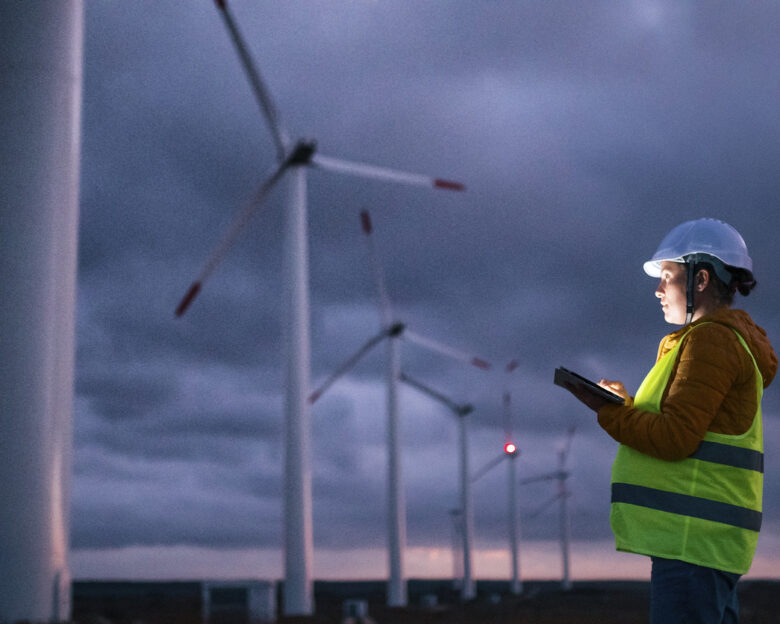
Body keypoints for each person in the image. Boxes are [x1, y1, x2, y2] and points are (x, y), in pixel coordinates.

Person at [562, 218, 777, 624]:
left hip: (693, 544)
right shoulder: (719, 340)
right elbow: (684, 423)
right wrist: (626, 403)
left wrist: (608, 410)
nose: (658, 290)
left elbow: (676, 437)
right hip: (704, 545)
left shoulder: (711, 341)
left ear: (701, 279)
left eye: (666, 276)